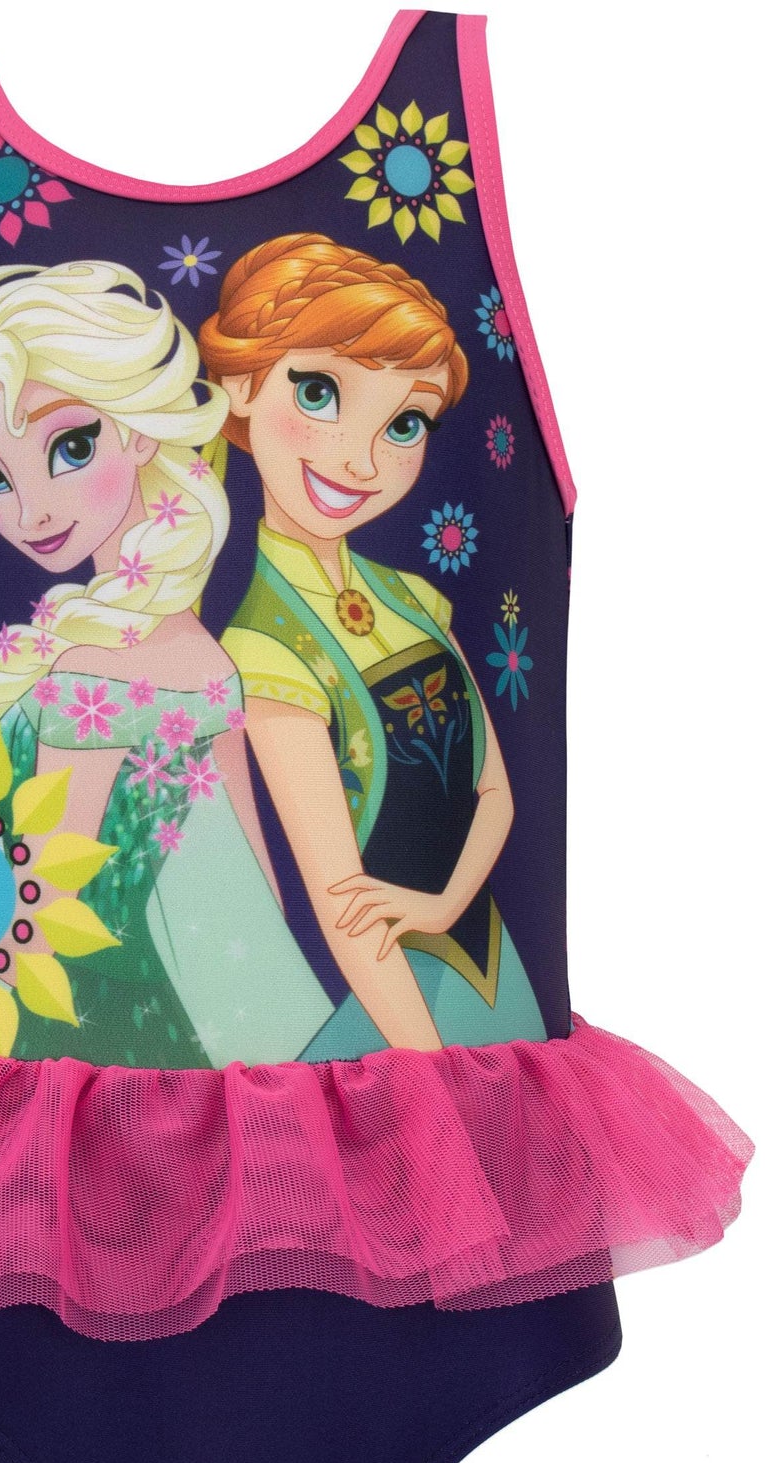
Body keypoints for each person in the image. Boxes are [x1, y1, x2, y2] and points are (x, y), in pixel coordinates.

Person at [0, 259, 333, 1064]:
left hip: (66, 1036)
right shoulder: (203, 659)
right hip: (195, 1032)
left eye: (70, 446)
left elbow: (40, 909)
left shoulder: (88, 674)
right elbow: (259, 892)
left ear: (140, 429)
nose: (30, 508)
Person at [203, 233, 548, 1054]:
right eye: (318, 391)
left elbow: (494, 794)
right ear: (241, 386)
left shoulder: (413, 599)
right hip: (402, 1019)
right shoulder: (265, 650)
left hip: (494, 972)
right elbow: (344, 908)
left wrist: (441, 905)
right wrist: (431, 1083)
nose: (359, 460)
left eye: (404, 423)